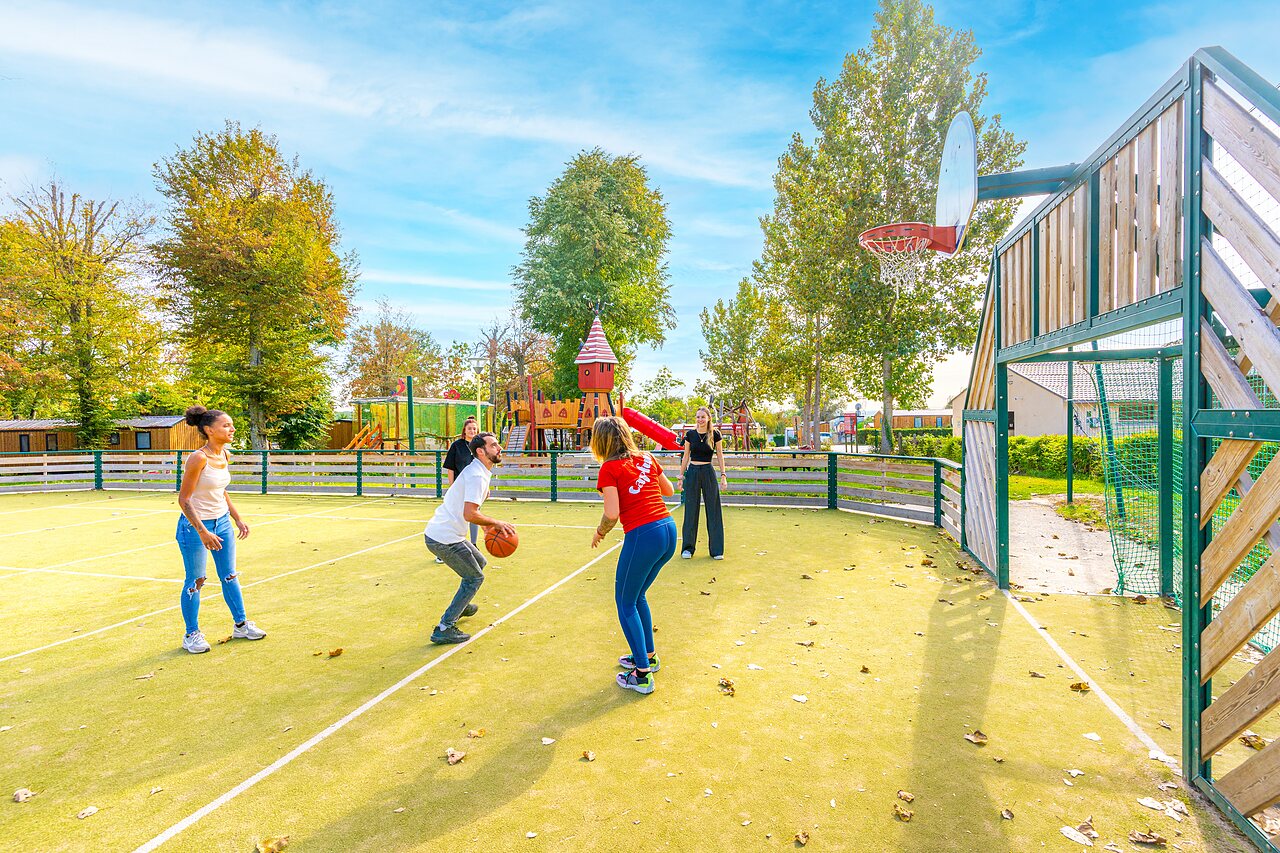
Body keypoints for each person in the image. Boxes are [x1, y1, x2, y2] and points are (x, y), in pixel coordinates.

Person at [590, 416, 677, 695]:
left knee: (625, 602)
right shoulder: (648, 458)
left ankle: (641, 675)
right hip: (668, 530)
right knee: (638, 596)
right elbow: (669, 490)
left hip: (644, 535)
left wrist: (600, 531)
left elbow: (612, 513)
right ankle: (647, 657)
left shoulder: (609, 468)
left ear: (600, 441)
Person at [175, 405, 266, 654]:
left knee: (229, 575)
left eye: (231, 424)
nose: (232, 428)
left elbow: (220, 490)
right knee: (196, 579)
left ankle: (241, 624)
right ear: (208, 430)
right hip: (195, 528)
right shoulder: (198, 457)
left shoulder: (224, 454)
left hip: (222, 523)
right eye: (226, 425)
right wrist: (203, 531)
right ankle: (191, 634)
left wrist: (237, 518)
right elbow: (184, 499)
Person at [424, 431, 516, 645]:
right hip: (443, 538)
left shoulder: (480, 471)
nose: (499, 448)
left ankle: (461, 604)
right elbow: (469, 513)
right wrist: (496, 523)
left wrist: (484, 528)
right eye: (493, 445)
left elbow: (471, 509)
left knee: (479, 563)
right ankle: (444, 627)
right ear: (481, 452)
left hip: (446, 534)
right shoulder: (476, 475)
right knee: (474, 577)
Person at [679, 406, 727, 560]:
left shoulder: (715, 434)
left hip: (708, 472)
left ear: (708, 418)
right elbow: (686, 456)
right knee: (691, 510)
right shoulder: (690, 435)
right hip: (692, 473)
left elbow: (720, 455)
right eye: (697, 417)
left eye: (702, 417)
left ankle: (716, 550)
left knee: (713, 511)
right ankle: (688, 548)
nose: (700, 420)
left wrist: (723, 475)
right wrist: (681, 476)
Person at [435, 416, 481, 563]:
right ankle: (442, 549)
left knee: (474, 514)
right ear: (464, 431)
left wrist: (485, 487)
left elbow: (484, 468)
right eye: (469, 428)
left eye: (474, 428)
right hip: (459, 487)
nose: (472, 431)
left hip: (474, 487)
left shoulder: (480, 448)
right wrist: (452, 486)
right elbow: (450, 467)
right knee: (454, 517)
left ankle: (473, 545)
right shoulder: (457, 446)